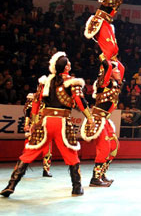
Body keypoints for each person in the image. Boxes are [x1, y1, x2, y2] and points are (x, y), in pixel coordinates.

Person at [1, 52, 91, 197]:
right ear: (65, 67)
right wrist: (90, 118)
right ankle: (77, 187)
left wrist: (35, 122)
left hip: (45, 122)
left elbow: (36, 103)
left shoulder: (45, 83)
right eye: (67, 62)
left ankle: (11, 185)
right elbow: (81, 102)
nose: (70, 64)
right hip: (62, 123)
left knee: (29, 153)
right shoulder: (72, 82)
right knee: (71, 154)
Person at [81, 61, 122, 187]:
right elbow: (107, 66)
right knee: (104, 148)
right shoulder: (103, 83)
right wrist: (105, 56)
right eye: (116, 70)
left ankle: (102, 174)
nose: (119, 72)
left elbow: (122, 68)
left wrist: (113, 52)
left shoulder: (114, 83)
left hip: (106, 119)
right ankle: (95, 178)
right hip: (98, 119)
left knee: (113, 147)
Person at [23, 92, 53, 177]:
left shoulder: (48, 102)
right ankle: (22, 168)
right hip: (34, 128)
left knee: (48, 150)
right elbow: (28, 114)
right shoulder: (33, 100)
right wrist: (26, 124)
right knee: (29, 149)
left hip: (46, 127)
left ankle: (46, 169)